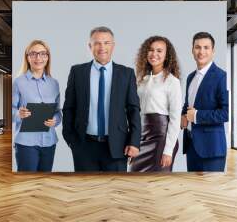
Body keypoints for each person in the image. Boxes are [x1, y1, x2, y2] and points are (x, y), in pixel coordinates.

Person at [62, 26, 141, 172]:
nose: (102, 47)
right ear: (90, 46)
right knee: (87, 191)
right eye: (97, 43)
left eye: (106, 42)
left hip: (118, 146)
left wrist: (134, 142)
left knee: (115, 192)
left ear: (113, 45)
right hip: (84, 146)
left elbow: (134, 110)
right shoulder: (77, 72)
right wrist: (71, 139)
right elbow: (68, 108)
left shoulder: (126, 73)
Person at [129, 36, 182, 172]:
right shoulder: (142, 80)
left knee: (158, 183)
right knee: (135, 179)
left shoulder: (172, 82)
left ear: (166, 55)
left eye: (159, 51)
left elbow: (175, 118)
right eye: (151, 50)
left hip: (161, 138)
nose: (154, 54)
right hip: (142, 136)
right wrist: (132, 141)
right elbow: (135, 111)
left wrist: (168, 150)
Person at [181, 32, 228, 172]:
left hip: (212, 149)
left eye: (206, 47)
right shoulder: (190, 77)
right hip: (191, 146)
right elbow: (188, 105)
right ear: (192, 50)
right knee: (194, 191)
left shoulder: (222, 77)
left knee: (211, 191)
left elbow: (226, 113)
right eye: (198, 47)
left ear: (213, 51)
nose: (201, 51)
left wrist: (196, 116)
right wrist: (184, 115)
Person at [12, 40, 61, 172]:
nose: (38, 58)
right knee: (27, 184)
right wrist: (18, 114)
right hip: (26, 143)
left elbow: (57, 112)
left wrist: (55, 120)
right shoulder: (18, 82)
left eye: (42, 54)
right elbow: (10, 110)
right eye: (33, 54)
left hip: (49, 142)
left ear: (47, 57)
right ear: (27, 57)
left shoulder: (54, 83)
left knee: (44, 183)